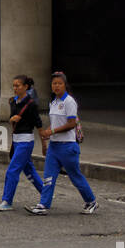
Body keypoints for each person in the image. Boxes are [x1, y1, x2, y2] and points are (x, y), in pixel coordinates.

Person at [27, 72, 97, 215]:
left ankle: (91, 201)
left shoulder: (69, 101)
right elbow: (54, 124)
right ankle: (43, 205)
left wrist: (52, 131)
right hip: (54, 146)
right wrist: (46, 141)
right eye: (54, 83)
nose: (56, 86)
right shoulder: (53, 102)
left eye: (59, 83)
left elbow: (71, 124)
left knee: (75, 176)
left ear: (65, 85)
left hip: (67, 146)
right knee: (48, 177)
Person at [0, 75, 44, 211]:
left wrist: (44, 144)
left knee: (12, 170)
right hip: (16, 140)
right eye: (14, 86)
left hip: (26, 141)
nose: (15, 88)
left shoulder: (31, 104)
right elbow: (13, 119)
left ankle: (7, 201)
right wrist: (12, 119)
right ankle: (46, 195)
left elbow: (38, 123)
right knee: (29, 171)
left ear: (26, 87)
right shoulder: (13, 101)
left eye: (18, 86)